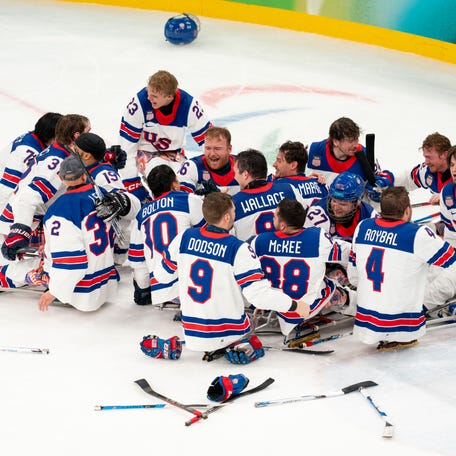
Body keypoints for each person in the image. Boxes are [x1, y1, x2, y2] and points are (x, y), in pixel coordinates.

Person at [151, 192, 310, 355]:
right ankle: (242, 348)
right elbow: (259, 297)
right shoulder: (238, 248)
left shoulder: (183, 237)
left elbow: (162, 276)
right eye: (233, 211)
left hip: (191, 331)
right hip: (228, 333)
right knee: (253, 312)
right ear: (226, 217)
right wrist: (295, 305)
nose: (235, 214)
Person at [347, 186, 456, 351]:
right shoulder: (417, 234)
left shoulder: (362, 227)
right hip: (403, 326)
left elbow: (353, 277)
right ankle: (426, 306)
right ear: (407, 210)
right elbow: (452, 260)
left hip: (365, 321)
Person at [0, 114, 91, 288]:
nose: (91, 134)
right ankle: (30, 273)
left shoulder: (63, 151)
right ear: (77, 136)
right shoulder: (56, 162)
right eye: (88, 131)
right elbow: (26, 197)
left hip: (30, 216)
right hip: (20, 219)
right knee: (54, 264)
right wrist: (19, 231)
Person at [249, 198, 350, 337]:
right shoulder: (317, 238)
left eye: (275, 215)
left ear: (283, 225)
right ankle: (355, 304)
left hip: (275, 304)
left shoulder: (259, 240)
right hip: (304, 308)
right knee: (332, 281)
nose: (273, 218)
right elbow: (349, 253)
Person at [38, 155, 118, 312]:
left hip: (84, 295)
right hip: (106, 283)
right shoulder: (101, 193)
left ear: (60, 177)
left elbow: (71, 260)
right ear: (84, 174)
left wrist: (54, 291)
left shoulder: (60, 209)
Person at [118, 70, 212, 200]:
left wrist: (213, 170)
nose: (149, 98)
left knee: (183, 183)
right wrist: (132, 182)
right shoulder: (139, 103)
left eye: (154, 96)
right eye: (149, 93)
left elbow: (209, 141)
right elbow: (126, 146)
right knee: (161, 182)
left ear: (169, 97)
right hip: (146, 152)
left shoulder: (188, 105)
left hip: (176, 154)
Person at [128, 164, 204, 305]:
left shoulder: (141, 215)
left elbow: (136, 259)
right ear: (174, 184)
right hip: (196, 285)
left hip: (161, 290)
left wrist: (144, 287)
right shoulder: (188, 200)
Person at [307, 117, 393, 202]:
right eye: (351, 141)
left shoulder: (365, 156)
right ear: (336, 141)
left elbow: (379, 184)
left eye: (356, 139)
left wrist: (377, 190)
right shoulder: (314, 150)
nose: (356, 145)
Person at [232, 149, 307, 241]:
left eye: (235, 172)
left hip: (255, 253)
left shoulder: (232, 204)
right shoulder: (289, 189)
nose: (234, 176)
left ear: (245, 175)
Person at [0, 112, 63, 212]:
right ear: (52, 135)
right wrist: (6, 215)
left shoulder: (33, 138)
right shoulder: (28, 151)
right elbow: (8, 185)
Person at [423, 145, 456, 311]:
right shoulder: (447, 192)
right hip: (454, 245)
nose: (454, 170)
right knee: (432, 272)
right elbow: (450, 234)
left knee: (448, 281)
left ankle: (414, 310)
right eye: (452, 165)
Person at [178, 126, 239, 195]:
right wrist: (201, 198)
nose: (212, 154)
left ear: (229, 149)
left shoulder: (244, 166)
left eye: (217, 148)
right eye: (208, 148)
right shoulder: (192, 166)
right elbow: (180, 199)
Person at [395, 132, 452, 205]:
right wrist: (389, 181)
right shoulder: (428, 171)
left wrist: (446, 196)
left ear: (445, 155)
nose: (426, 162)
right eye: (425, 157)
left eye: (429, 157)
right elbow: (408, 179)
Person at [272, 140, 328, 206]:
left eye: (279, 161)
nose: (274, 164)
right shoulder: (321, 185)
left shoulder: (277, 186)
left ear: (293, 165)